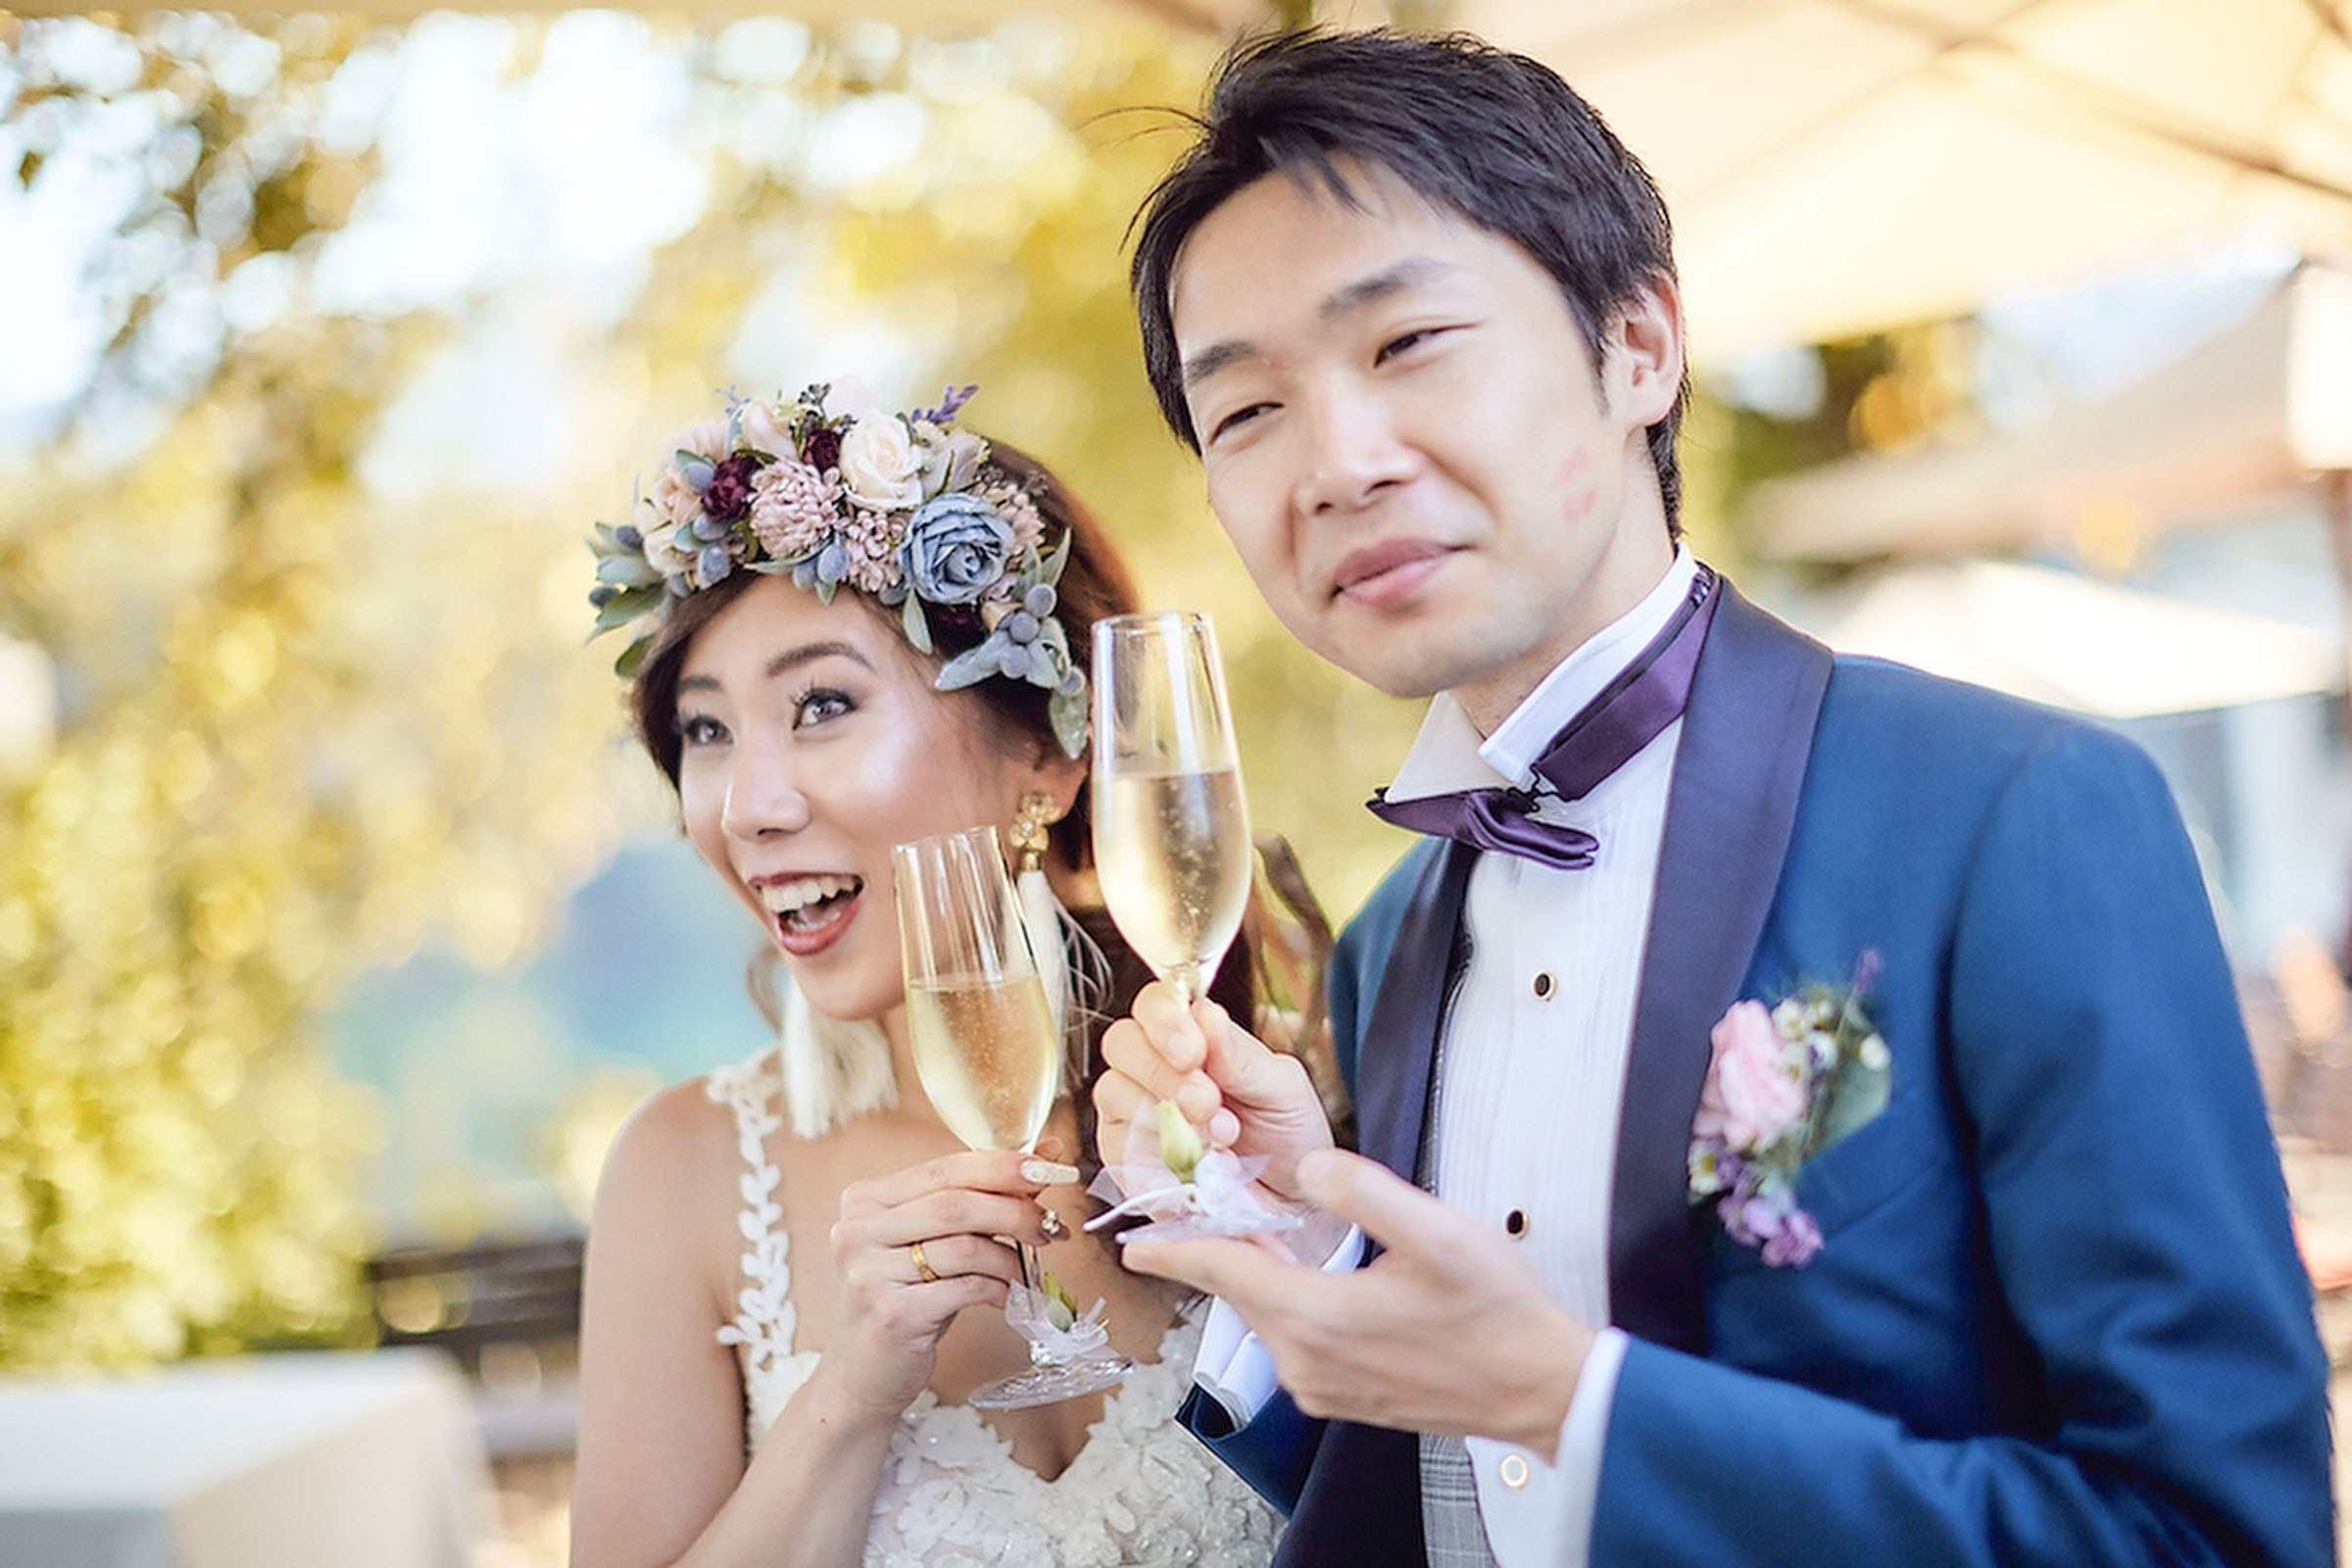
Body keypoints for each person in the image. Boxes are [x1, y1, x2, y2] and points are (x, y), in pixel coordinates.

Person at [1091, 28, 2334, 1568]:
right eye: (1248, 412)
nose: (1337, 461)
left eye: (1405, 343)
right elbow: (1438, 1508)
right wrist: (1301, 1245)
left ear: (1639, 347)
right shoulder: (1392, 936)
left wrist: (1580, 1409)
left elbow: (2218, 1532)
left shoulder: (2021, 813)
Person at [568, 379, 1281, 1566]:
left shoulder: (1261, 1117)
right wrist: (852, 1388)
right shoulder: (680, 1177)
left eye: (822, 704)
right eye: (706, 731)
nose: (747, 807)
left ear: (1049, 760)